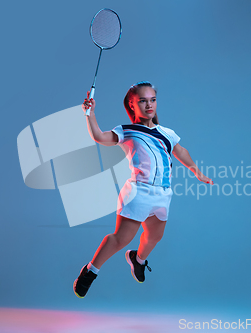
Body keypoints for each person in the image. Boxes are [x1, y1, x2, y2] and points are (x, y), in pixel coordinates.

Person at [73, 81, 213, 298]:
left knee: (155, 237)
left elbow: (181, 151)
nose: (149, 105)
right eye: (143, 101)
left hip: (163, 194)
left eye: (153, 100)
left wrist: (196, 171)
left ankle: (137, 260)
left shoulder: (166, 132)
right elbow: (99, 137)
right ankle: (90, 271)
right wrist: (89, 114)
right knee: (121, 239)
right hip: (139, 192)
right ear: (132, 104)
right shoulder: (127, 131)